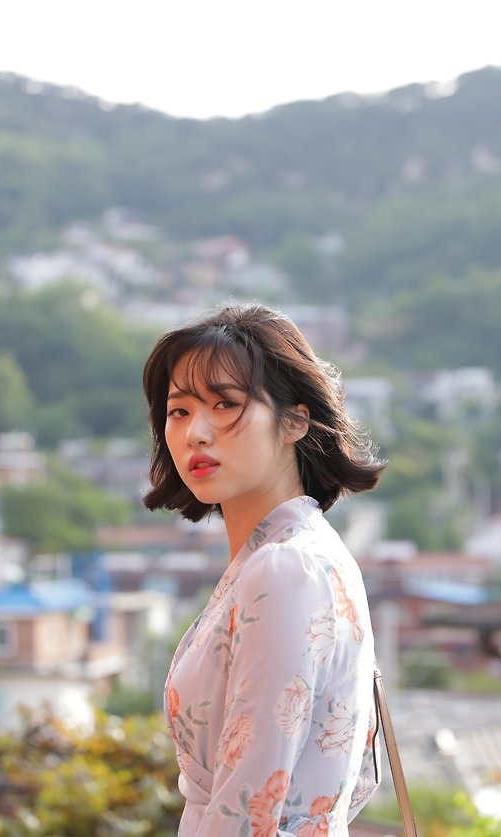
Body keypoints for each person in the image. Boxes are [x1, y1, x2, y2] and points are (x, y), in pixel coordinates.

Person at [142, 303, 387, 837]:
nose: (195, 433)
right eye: (179, 411)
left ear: (295, 420)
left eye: (225, 404)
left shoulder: (285, 568)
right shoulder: (310, 554)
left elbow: (247, 813)